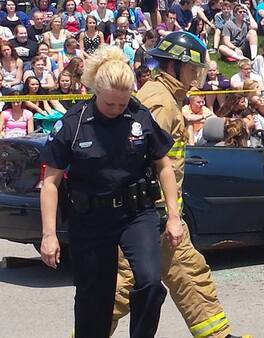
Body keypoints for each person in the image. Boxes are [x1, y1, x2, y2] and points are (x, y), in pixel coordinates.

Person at [111, 31, 248, 338]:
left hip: (161, 215)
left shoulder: (163, 97)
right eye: (191, 70)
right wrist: (160, 213)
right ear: (174, 67)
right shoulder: (159, 101)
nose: (194, 78)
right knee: (123, 286)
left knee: (190, 274)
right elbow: (139, 158)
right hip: (151, 216)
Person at [39, 45, 181, 338]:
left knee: (150, 282)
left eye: (123, 103)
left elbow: (164, 167)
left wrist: (174, 215)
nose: (117, 110)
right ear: (95, 92)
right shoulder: (74, 124)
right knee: (95, 299)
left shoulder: (140, 116)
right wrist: (49, 235)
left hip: (135, 213)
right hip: (90, 219)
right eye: (110, 105)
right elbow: (50, 183)